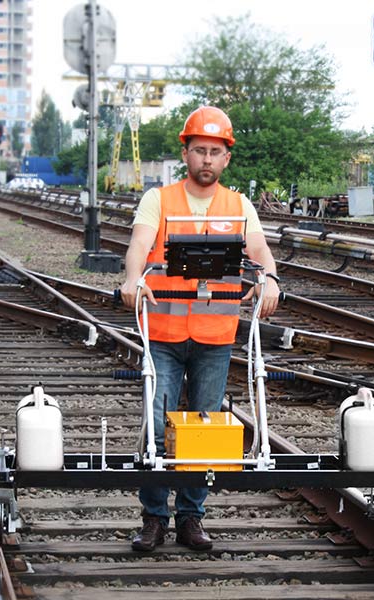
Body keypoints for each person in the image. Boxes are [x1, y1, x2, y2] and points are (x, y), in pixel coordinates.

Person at [119, 106, 281, 552]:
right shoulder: (159, 199)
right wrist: (133, 280)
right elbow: (137, 246)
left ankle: (191, 517)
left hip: (214, 336)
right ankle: (154, 518)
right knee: (156, 428)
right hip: (165, 337)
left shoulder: (238, 205)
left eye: (214, 151)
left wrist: (270, 280)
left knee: (204, 431)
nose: (206, 159)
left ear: (226, 158)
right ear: (185, 154)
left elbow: (262, 253)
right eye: (198, 150)